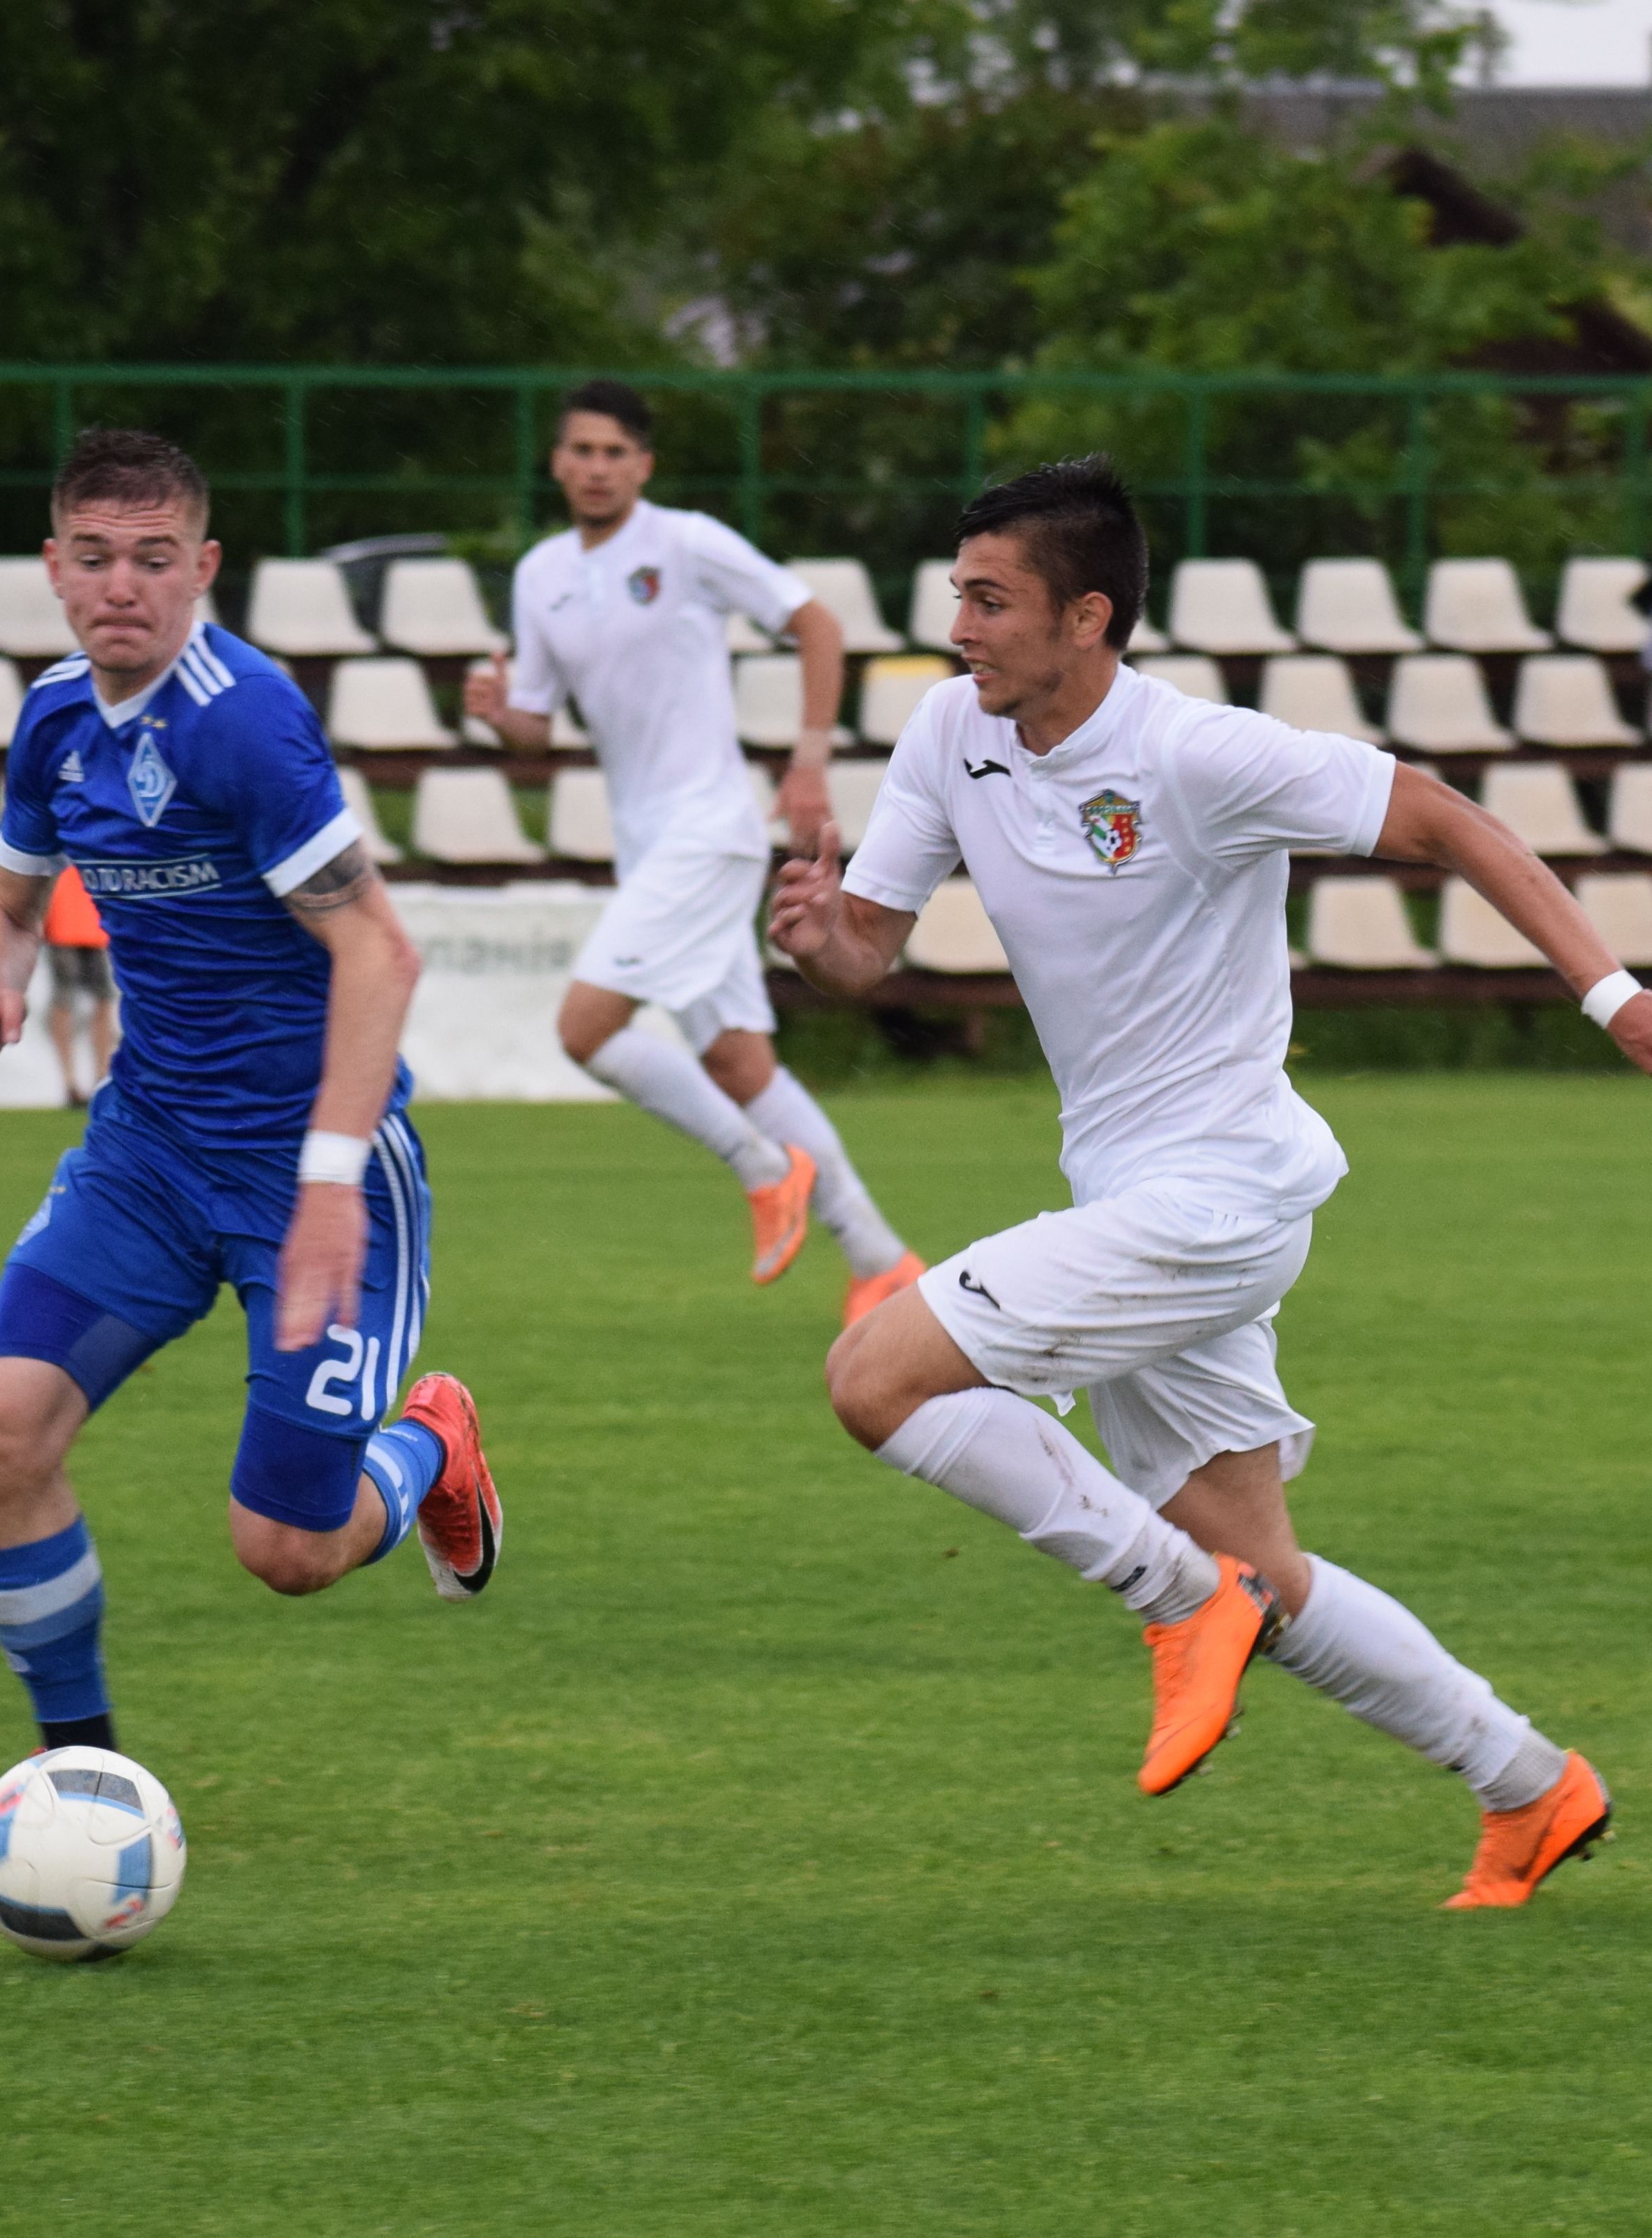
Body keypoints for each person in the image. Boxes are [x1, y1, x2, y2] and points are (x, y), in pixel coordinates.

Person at [772, 455, 1649, 1907]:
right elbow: (870, 947)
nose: (960, 628)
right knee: (1260, 1563)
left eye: (989, 602)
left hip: (1218, 1195)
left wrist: (1612, 996)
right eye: (956, 597)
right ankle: (1529, 1786)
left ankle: (1178, 1608)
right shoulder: (949, 731)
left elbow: (1438, 814)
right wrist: (816, 939)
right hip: (1131, 1193)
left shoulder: (1197, 755)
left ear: (1088, 618)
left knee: (875, 1375)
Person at [0, 427, 503, 1851]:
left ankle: (431, 1440)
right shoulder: (53, 720)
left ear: (205, 568)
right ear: (54, 568)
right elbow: (2, 897)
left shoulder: (243, 721)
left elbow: (379, 950)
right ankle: (77, 1794)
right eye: (96, 558)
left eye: (156, 559)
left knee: (287, 1551)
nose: (125, 587)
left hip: (314, 1165)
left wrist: (324, 1185)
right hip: (147, 1152)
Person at [466, 381, 921, 1324]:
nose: (596, 467)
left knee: (583, 1030)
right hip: (650, 846)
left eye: (615, 452)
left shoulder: (686, 542)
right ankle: (882, 1259)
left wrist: (806, 762)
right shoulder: (541, 573)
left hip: (708, 831)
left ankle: (763, 1169)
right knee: (739, 1063)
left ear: (645, 466)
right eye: (581, 450)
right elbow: (536, 733)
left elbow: (816, 623)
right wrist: (497, 715)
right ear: (557, 461)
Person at [40, 863, 119, 1105]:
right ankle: (70, 1082)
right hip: (62, 920)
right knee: (65, 1000)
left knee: (103, 999)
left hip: (97, 923)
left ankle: (101, 1077)